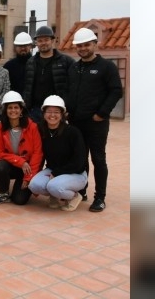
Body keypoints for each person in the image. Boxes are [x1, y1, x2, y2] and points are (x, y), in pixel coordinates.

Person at [66, 27, 123, 212]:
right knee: (80, 159)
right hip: (76, 122)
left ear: (94, 44)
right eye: (79, 45)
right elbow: (69, 92)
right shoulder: (74, 68)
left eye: (86, 44)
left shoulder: (106, 67)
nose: (82, 48)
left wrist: (102, 113)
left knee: (98, 159)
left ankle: (100, 197)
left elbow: (116, 91)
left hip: (97, 123)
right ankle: (81, 190)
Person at [28, 95, 87, 211]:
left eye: (56, 112)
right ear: (43, 113)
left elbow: (79, 162)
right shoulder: (42, 131)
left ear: (62, 114)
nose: (52, 115)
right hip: (53, 170)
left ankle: (74, 196)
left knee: (54, 186)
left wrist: (57, 173)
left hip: (76, 173)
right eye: (49, 111)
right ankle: (54, 196)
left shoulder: (72, 132)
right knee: (34, 185)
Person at [0, 91, 42, 205]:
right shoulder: (0, 128)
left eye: (16, 107)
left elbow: (38, 153)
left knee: (19, 200)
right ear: (5, 110)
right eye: (10, 107)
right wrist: (20, 162)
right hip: (13, 166)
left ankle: (20, 185)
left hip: (28, 168)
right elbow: (0, 153)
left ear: (21, 110)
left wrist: (28, 177)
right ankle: (4, 192)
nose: (13, 110)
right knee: (0, 165)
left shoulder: (32, 127)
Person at [23, 26, 75, 123]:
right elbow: (27, 86)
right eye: (40, 40)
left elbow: (72, 87)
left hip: (56, 110)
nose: (43, 43)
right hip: (35, 110)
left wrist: (67, 107)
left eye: (46, 40)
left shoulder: (66, 61)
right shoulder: (31, 62)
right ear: (36, 43)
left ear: (52, 40)